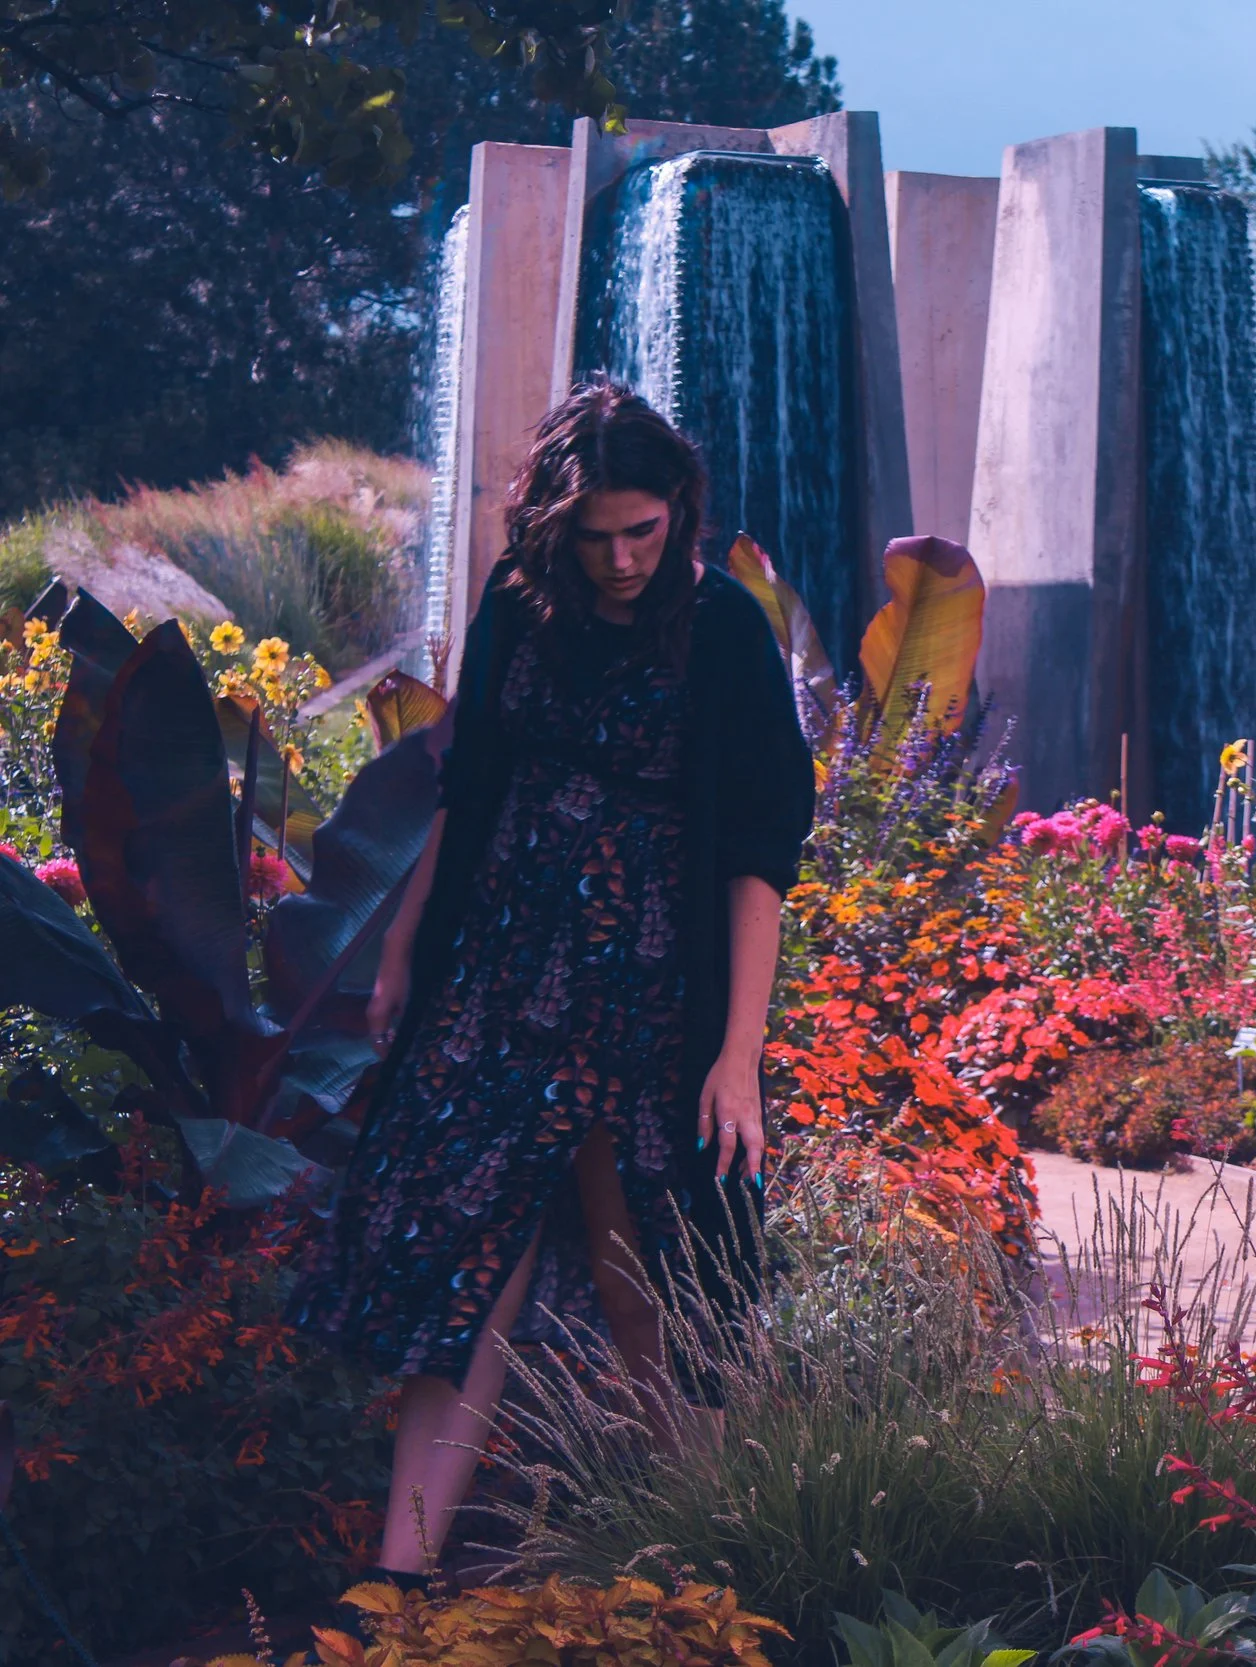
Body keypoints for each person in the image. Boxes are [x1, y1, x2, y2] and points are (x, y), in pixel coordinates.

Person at [289, 379, 816, 1587]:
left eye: (647, 529)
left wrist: (739, 1051)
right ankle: (403, 1575)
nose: (626, 559)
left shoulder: (725, 630)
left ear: (679, 509)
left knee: (651, 1277)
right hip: (501, 978)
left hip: (648, 995)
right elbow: (471, 785)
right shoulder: (523, 608)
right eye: (599, 537)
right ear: (555, 527)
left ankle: (722, 1547)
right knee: (472, 1259)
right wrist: (407, 939)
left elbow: (756, 855)